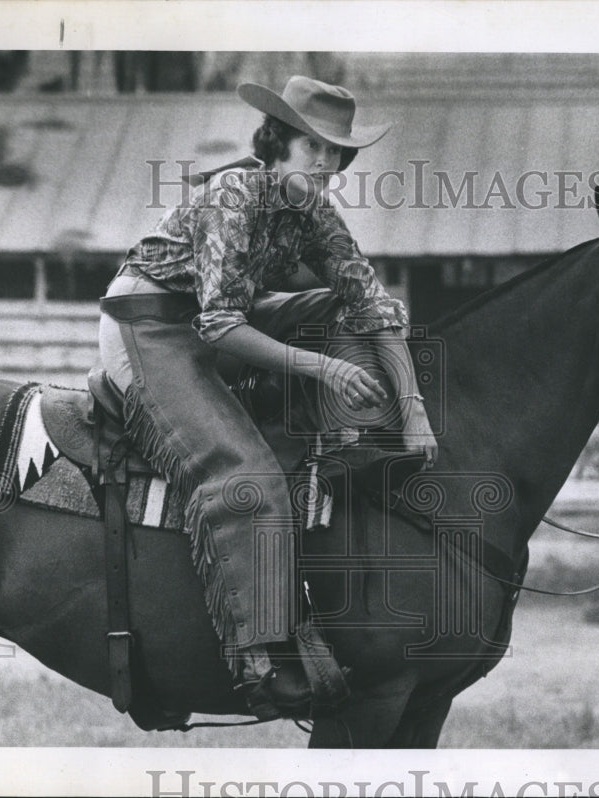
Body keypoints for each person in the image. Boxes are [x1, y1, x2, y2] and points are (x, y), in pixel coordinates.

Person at [97, 75, 437, 719]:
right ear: (278, 139)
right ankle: (259, 659)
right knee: (244, 471)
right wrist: (323, 371)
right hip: (149, 325)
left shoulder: (313, 208)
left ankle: (350, 438)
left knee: (346, 305)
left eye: (338, 152)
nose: (329, 163)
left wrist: (414, 409)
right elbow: (220, 324)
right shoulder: (234, 193)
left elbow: (371, 305)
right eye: (317, 147)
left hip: (229, 320)